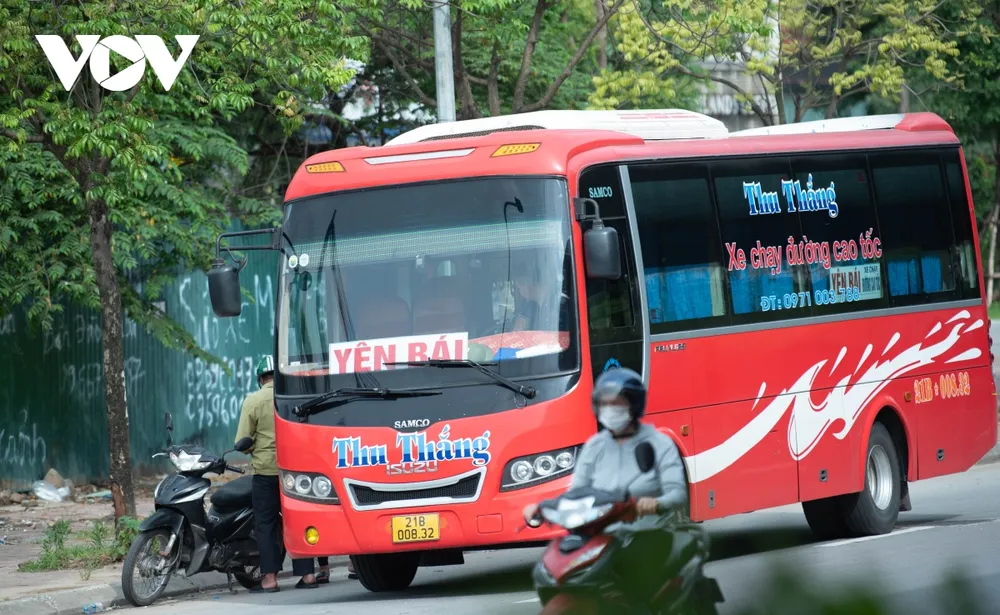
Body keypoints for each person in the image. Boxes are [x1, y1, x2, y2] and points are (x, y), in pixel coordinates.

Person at [522, 368, 689, 595]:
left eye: (617, 403)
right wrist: (543, 507)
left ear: (634, 405)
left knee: (637, 591)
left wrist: (655, 503)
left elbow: (677, 493)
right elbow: (577, 492)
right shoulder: (594, 447)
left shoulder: (659, 444)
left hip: (648, 534)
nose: (610, 410)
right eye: (605, 404)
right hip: (603, 537)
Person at [236, 355, 325, 592]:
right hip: (294, 471)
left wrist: (255, 447)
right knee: (296, 520)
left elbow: (242, 442)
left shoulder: (253, 401)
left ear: (260, 378)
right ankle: (307, 575)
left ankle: (270, 579)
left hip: (265, 472)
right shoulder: (294, 396)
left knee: (265, 524)